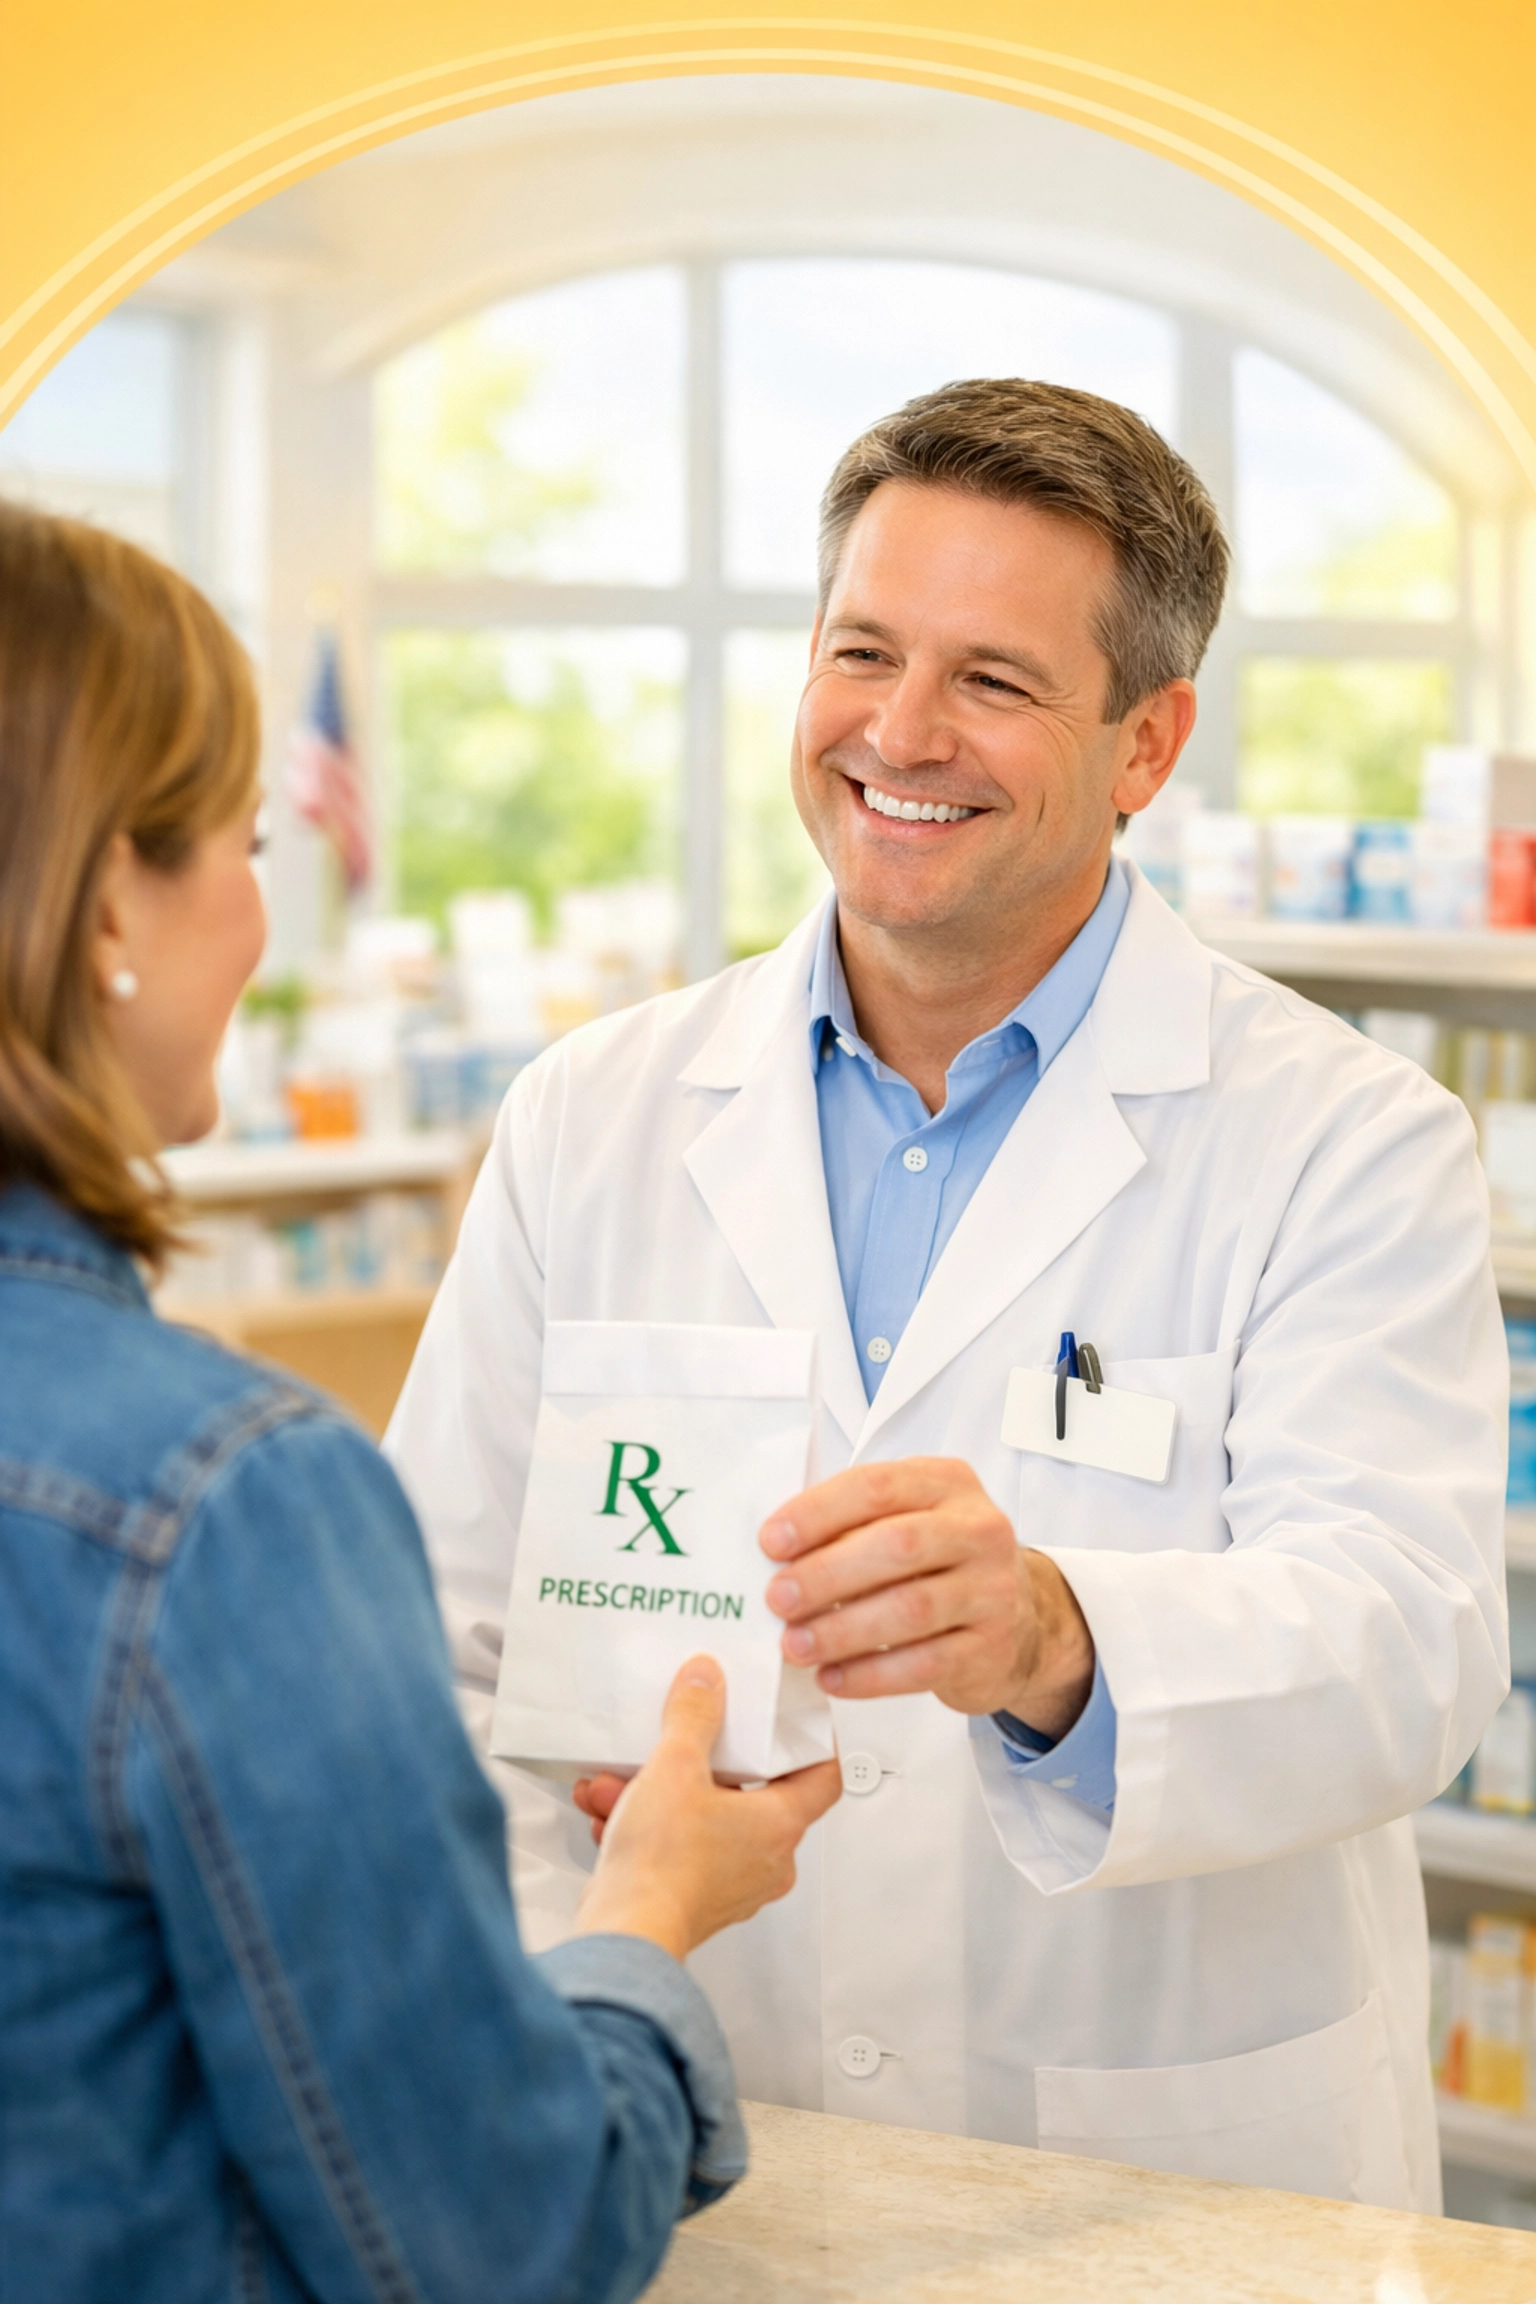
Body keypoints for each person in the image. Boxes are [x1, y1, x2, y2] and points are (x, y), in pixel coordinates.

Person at [386, 377, 1509, 2214]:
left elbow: (1414, 1641)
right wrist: (574, 1993)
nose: (901, 731)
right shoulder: (594, 1114)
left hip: (1162, 2181)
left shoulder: (1343, 1137)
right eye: (862, 651)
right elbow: (440, 1647)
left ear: (1146, 744)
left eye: (995, 679)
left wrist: (1063, 1638)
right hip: (695, 2122)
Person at [0, 500, 840, 2304]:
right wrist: (653, 1914)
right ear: (100, 913)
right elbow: (491, 2240)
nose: (261, 910)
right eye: (234, 842)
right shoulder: (216, 1502)